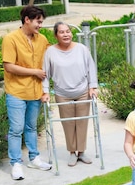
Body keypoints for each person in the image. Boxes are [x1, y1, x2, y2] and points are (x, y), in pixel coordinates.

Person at [2, 5, 52, 180]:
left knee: (31, 127)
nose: (40, 25)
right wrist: (34, 72)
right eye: (38, 22)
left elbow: (49, 62)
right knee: (16, 129)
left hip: (36, 92)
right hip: (16, 91)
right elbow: (9, 66)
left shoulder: (42, 39)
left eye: (41, 22)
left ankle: (34, 158)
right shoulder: (11, 39)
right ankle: (16, 163)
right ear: (27, 20)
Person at [42, 21, 98, 167]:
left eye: (68, 31)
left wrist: (92, 87)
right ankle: (72, 152)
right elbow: (45, 73)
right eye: (62, 32)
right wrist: (46, 91)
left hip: (82, 91)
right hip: (63, 92)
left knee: (82, 122)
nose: (66, 34)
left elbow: (91, 67)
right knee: (68, 123)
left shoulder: (82, 49)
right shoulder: (50, 52)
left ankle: (81, 152)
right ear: (56, 35)